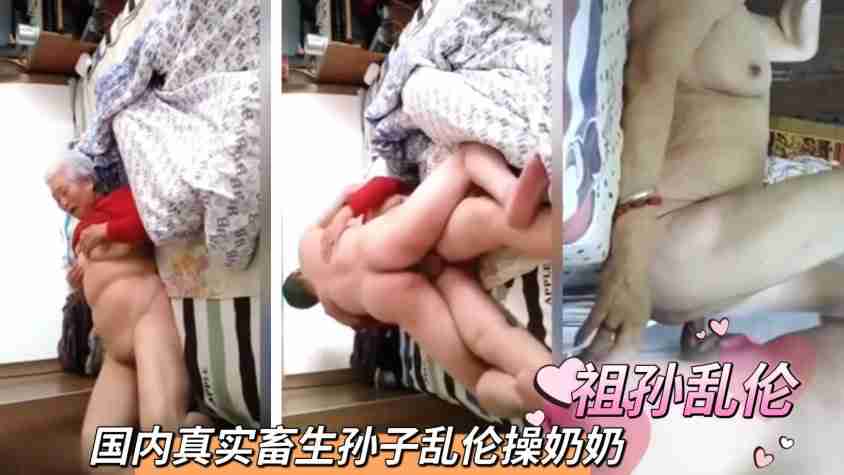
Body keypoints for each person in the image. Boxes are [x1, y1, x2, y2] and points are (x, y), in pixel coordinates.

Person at [577, 0, 825, 360]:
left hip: (715, 256)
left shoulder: (729, 14)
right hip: (675, 244)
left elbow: (798, 45)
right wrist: (630, 258)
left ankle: (703, 323)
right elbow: (648, 82)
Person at [284, 143, 552, 415]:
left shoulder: (332, 307)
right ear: (296, 273)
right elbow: (353, 192)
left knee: (477, 371)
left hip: (388, 294)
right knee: (465, 159)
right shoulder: (306, 243)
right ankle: (509, 195)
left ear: (312, 301)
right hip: (380, 245)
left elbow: (371, 323)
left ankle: (526, 393)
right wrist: (347, 212)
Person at [46, 151, 192, 472]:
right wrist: (77, 283)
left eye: (64, 191)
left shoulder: (123, 200)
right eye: (55, 197)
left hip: (147, 321)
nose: (61, 202)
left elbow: (156, 225)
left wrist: (107, 232)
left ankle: (205, 428)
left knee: (163, 430)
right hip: (115, 347)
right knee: (95, 452)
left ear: (88, 182)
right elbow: (98, 288)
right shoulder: (78, 232)